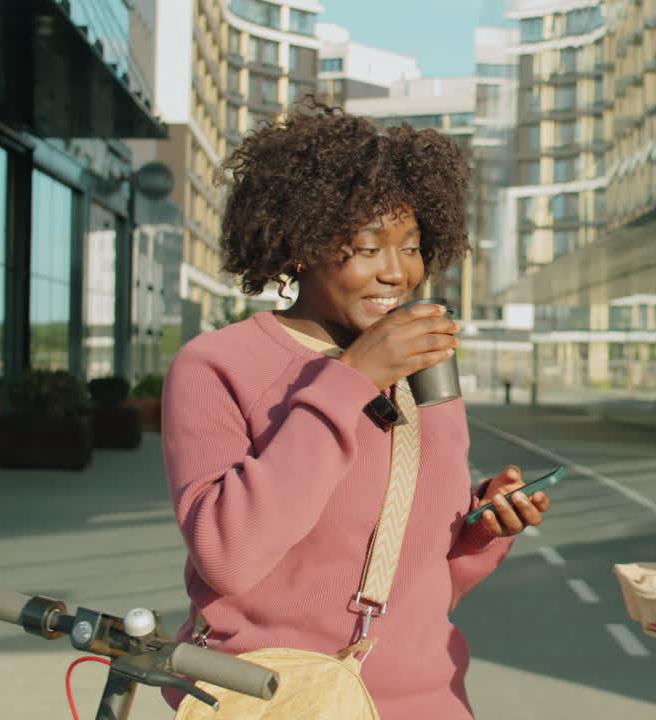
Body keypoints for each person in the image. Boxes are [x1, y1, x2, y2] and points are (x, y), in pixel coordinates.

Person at [160, 101, 550, 719]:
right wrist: (352, 379)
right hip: (277, 702)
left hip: (427, 703)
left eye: (412, 248)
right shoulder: (218, 365)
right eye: (368, 248)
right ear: (301, 247)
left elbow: (424, 585)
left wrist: (483, 531)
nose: (397, 273)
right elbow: (229, 557)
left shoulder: (427, 372)